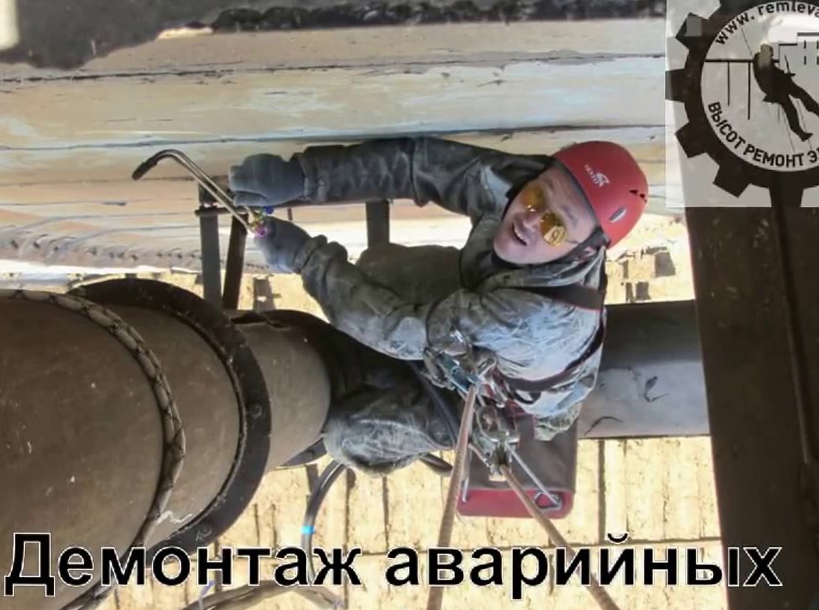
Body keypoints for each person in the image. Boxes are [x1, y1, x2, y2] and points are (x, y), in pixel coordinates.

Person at [228, 137, 649, 476]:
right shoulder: (525, 186)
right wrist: (305, 177)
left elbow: (400, 329)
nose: (529, 219)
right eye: (537, 197)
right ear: (538, 175)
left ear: (585, 250)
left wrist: (306, 258)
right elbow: (421, 166)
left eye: (556, 227)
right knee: (378, 270)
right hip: (480, 298)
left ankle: (432, 431)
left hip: (493, 397)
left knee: (345, 435)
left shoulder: (532, 321)